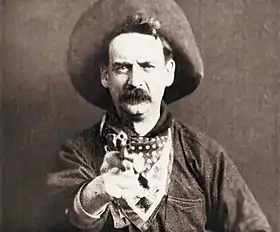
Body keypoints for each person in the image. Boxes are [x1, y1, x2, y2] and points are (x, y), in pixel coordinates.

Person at [47, 0, 271, 231]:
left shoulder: (205, 156)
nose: (134, 81)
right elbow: (57, 222)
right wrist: (99, 191)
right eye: (123, 67)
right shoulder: (77, 153)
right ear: (105, 75)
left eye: (147, 66)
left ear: (168, 72)